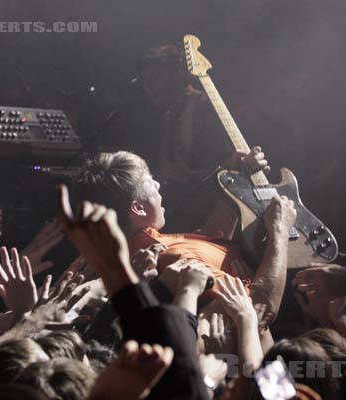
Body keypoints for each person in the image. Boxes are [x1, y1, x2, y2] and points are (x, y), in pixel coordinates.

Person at [72, 150, 296, 332]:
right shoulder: (170, 258)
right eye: (150, 182)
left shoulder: (151, 245)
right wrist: (279, 230)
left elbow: (213, 238)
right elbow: (262, 308)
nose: (159, 185)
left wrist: (234, 177)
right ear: (138, 208)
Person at [101, 45, 234, 232]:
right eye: (144, 82)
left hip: (204, 210)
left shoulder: (205, 107)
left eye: (154, 79)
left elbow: (227, 164)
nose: (148, 88)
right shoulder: (169, 113)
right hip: (178, 205)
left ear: (178, 74)